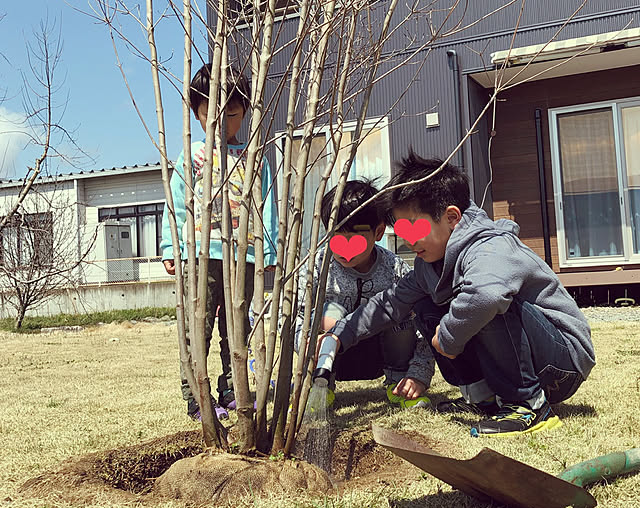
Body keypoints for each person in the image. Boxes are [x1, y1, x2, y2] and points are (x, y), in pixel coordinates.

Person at [324, 152, 595, 436]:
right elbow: (391, 302)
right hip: (529, 356)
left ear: (451, 217)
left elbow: (487, 296)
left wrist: (450, 336)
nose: (406, 239)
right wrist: (340, 335)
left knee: (486, 301)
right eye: (402, 229)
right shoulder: (430, 264)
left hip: (562, 364)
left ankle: (529, 405)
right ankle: (483, 400)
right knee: (428, 305)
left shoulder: (490, 247)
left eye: (414, 228)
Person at [161, 63, 278, 421]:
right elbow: (177, 203)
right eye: (212, 113)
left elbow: (267, 205)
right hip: (200, 253)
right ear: (197, 113)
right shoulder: (193, 155)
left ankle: (233, 387)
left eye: (233, 113)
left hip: (241, 256)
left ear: (244, 113)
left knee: (237, 325)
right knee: (199, 328)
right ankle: (197, 396)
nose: (223, 122)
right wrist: (173, 247)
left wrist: (267, 250)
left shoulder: (253, 157)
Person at [296, 179, 435, 408]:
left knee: (400, 313)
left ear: (379, 231)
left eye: (356, 236)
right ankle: (320, 386)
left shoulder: (395, 270)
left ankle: (399, 384)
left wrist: (418, 373)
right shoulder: (317, 266)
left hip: (381, 354)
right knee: (330, 312)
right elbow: (296, 317)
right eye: (337, 235)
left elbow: (423, 324)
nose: (345, 246)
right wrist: (306, 343)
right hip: (330, 357)